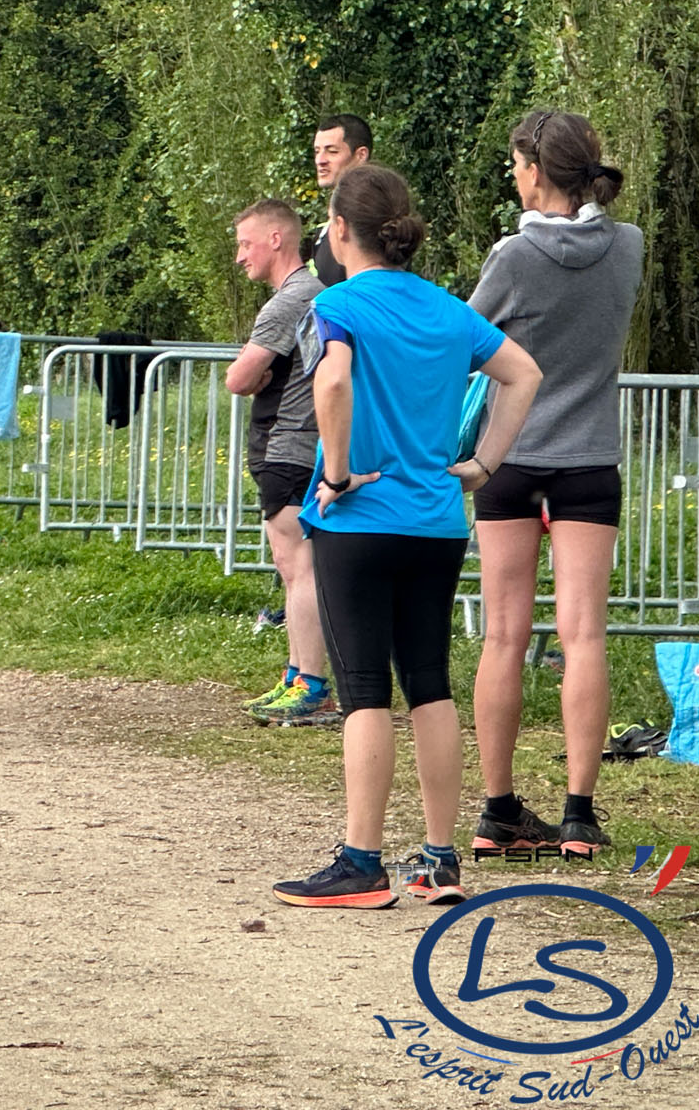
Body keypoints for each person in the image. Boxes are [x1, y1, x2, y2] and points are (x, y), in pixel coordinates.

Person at [274, 165, 541, 909]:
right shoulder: (447, 308)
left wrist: (334, 473)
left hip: (360, 519)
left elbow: (333, 382)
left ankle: (362, 863)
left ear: (339, 230)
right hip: (435, 521)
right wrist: (483, 463)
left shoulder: (336, 303)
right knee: (429, 683)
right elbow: (522, 374)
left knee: (363, 688)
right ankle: (440, 860)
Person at [468, 110, 643, 859]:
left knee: (505, 635)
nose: (514, 176)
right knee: (583, 635)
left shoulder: (512, 257)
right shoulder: (629, 246)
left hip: (510, 457)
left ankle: (498, 810)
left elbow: (467, 339)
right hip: (588, 460)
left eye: (516, 165)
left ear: (535, 172)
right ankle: (579, 815)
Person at [224, 200, 334, 727]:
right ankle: (295, 676)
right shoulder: (314, 293)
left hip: (288, 447)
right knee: (292, 569)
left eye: (245, 244)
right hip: (296, 446)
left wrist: (254, 376)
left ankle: (311, 683)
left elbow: (239, 378)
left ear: (276, 239)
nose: (239, 256)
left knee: (299, 568)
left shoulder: (290, 300)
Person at [309, 114, 372, 287]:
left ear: (361, 155)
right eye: (317, 151)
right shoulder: (324, 228)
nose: (320, 160)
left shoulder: (373, 218)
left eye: (332, 151)